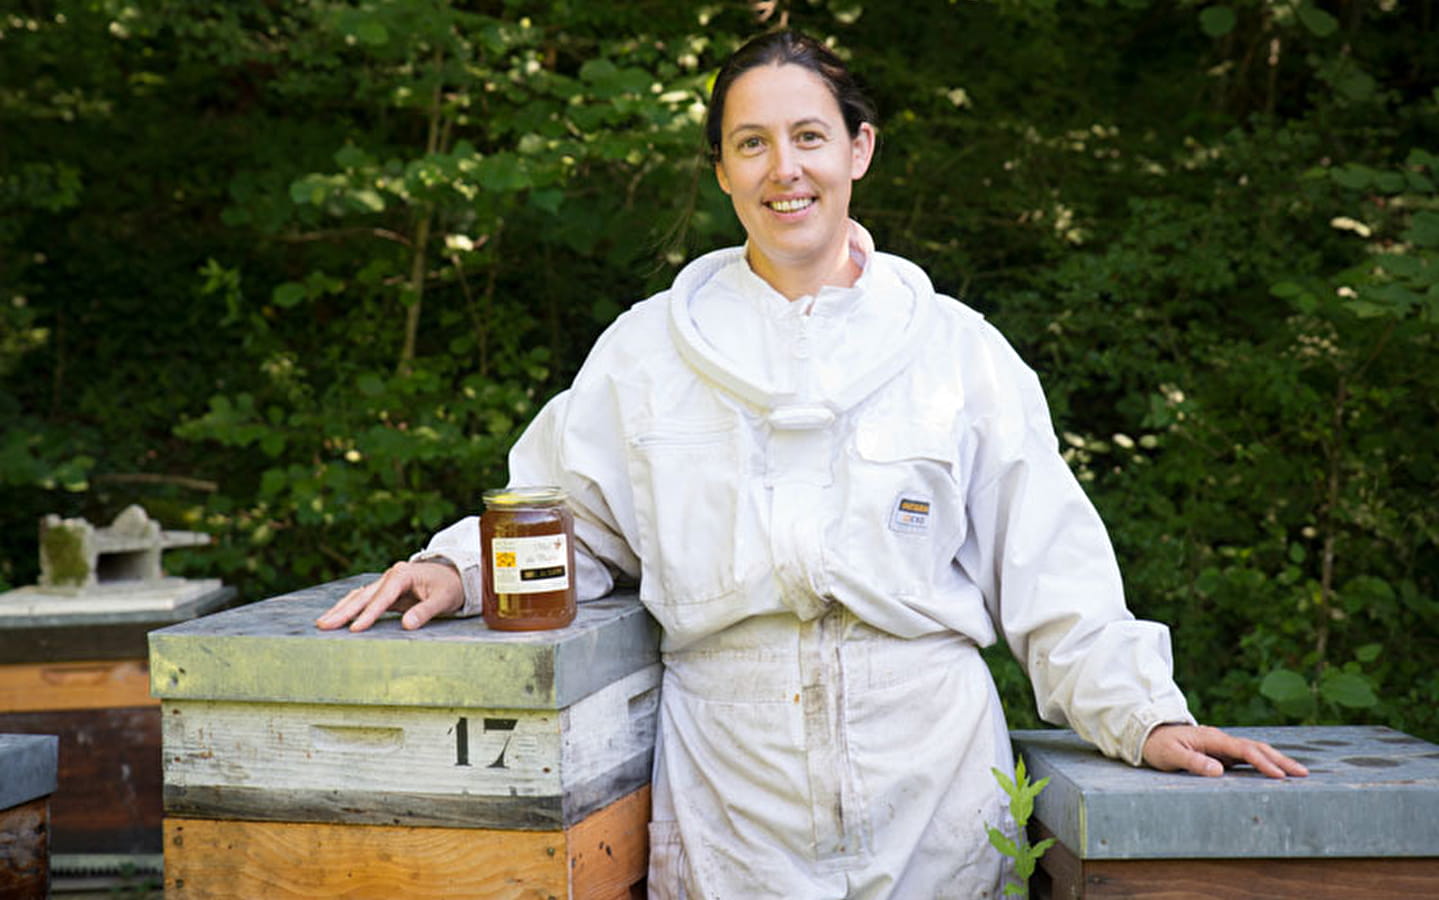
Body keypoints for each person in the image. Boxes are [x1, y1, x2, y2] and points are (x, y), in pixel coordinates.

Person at [318, 29, 1306, 899]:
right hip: (730, 773)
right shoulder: (645, 353)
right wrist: (458, 566)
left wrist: (1141, 716)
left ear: (858, 150)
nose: (781, 169)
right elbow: (567, 519)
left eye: (807, 137)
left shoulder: (957, 353)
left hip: (928, 764)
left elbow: (1048, 571)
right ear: (719, 170)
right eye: (750, 144)